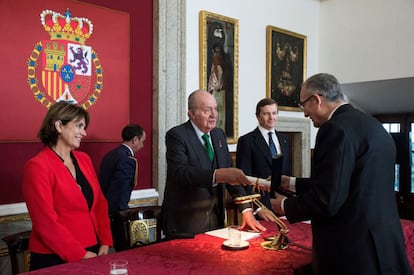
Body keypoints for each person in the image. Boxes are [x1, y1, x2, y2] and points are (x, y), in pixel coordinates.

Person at [272, 73, 411, 274]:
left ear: (317, 100)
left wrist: (285, 206)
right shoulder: (373, 125)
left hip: (352, 249)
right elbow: (346, 182)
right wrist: (292, 182)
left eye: (303, 106)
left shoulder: (334, 129)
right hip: (384, 241)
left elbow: (327, 198)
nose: (304, 114)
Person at [162, 90, 267, 238]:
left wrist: (246, 210)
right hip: (185, 224)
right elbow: (180, 173)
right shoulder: (177, 135)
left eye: (215, 109)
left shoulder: (218, 135)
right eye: (207, 110)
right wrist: (217, 175)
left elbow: (232, 176)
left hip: (216, 222)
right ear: (192, 113)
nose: (214, 115)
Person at [22, 101, 113, 271]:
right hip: (54, 257)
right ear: (59, 126)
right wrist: (79, 254)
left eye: (84, 127)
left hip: (93, 249)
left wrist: (105, 242)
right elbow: (45, 223)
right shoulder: (37, 166)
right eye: (79, 126)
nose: (84, 133)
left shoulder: (84, 159)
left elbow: (100, 203)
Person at [236, 98, 291, 220]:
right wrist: (257, 207)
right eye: (266, 113)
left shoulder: (285, 139)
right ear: (257, 116)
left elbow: (287, 173)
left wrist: (288, 202)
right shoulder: (247, 141)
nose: (271, 117)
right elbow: (244, 178)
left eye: (274, 113)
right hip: (262, 206)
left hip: (283, 203)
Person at [99, 124, 146, 216]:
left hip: (104, 208)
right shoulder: (127, 159)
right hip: (116, 212)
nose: (142, 145)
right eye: (142, 141)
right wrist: (123, 213)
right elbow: (121, 190)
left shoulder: (110, 155)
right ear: (135, 140)